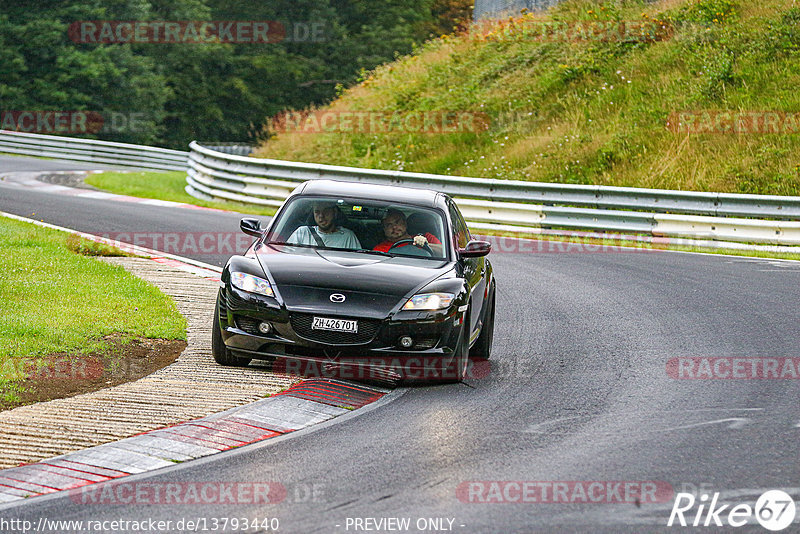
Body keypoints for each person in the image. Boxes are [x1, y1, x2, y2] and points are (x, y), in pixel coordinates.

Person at [287, 201, 361, 249]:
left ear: (334, 212)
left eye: (326, 211)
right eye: (317, 212)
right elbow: (287, 257)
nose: (321, 216)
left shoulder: (348, 236)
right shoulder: (302, 232)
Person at [374, 209, 443, 255]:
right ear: (384, 229)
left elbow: (444, 253)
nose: (394, 227)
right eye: (389, 225)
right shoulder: (380, 249)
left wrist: (425, 244)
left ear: (405, 223)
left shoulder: (426, 236)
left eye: (397, 222)